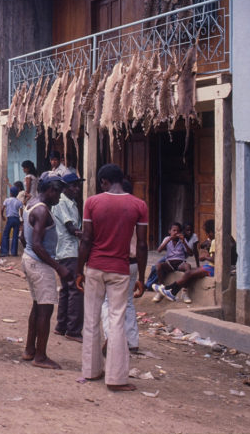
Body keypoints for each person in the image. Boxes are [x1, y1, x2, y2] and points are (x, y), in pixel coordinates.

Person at [77, 164, 148, 392]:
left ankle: (90, 371)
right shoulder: (139, 205)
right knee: (117, 321)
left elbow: (86, 240)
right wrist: (143, 276)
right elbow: (143, 244)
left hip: (95, 267)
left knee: (91, 318)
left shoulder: (92, 202)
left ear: (103, 182)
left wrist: (80, 270)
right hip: (120, 268)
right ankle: (116, 379)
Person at [20, 172, 71, 370]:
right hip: (39, 263)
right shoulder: (42, 211)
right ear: (49, 190)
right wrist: (59, 268)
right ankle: (40, 356)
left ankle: (29, 349)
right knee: (46, 309)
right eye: (58, 192)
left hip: (29, 259)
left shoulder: (31, 203)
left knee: (37, 306)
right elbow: (38, 245)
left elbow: (25, 238)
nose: (59, 196)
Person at [100, 179, 141, 354]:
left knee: (107, 302)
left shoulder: (116, 210)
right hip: (133, 262)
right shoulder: (138, 209)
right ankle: (132, 341)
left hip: (117, 261)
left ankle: (112, 337)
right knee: (128, 302)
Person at [153, 219, 234, 303]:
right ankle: (171, 291)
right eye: (174, 230)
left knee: (189, 272)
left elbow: (215, 260)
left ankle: (169, 289)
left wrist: (205, 257)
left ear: (210, 232)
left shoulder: (214, 241)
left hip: (214, 268)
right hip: (218, 267)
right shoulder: (225, 238)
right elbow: (159, 250)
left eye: (207, 233)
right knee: (190, 273)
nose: (207, 236)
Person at [52, 173, 84, 342]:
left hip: (66, 250)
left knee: (66, 288)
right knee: (76, 289)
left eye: (78, 186)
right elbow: (72, 228)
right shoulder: (63, 202)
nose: (77, 189)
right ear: (65, 187)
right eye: (74, 186)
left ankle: (61, 325)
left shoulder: (70, 202)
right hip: (68, 250)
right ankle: (73, 330)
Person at [150, 222, 193, 302]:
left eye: (178, 231)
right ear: (170, 231)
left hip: (180, 263)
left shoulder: (182, 240)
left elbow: (191, 253)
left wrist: (184, 242)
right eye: (174, 230)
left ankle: (184, 292)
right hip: (169, 263)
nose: (176, 233)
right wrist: (169, 239)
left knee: (188, 266)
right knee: (158, 265)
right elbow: (159, 250)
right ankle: (161, 289)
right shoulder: (167, 239)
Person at [0, 186, 22, 257]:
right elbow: (21, 212)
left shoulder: (7, 200)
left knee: (6, 235)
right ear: (17, 194)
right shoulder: (19, 202)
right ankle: (14, 252)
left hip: (10, 218)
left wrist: (2, 216)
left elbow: (2, 209)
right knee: (15, 236)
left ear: (10, 193)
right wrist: (21, 220)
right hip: (16, 219)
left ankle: (5, 252)